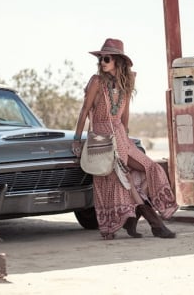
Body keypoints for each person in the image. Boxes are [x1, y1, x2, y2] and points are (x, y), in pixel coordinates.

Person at [72, 38, 179, 240]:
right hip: (102, 137)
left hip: (120, 136)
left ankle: (132, 218)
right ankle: (155, 223)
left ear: (118, 61)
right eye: (101, 59)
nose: (102, 62)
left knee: (151, 168)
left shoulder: (126, 82)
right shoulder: (97, 81)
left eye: (107, 58)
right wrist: (77, 139)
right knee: (124, 180)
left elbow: (125, 115)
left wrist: (126, 140)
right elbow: (85, 111)